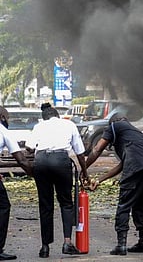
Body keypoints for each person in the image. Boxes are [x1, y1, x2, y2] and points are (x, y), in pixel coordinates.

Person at [83, 112, 143, 256]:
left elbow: (97, 149)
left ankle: (121, 245)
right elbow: (123, 164)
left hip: (138, 164)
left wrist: (84, 170)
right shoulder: (135, 133)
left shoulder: (115, 125)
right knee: (140, 205)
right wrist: (99, 180)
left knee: (124, 204)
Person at [26, 102, 89, 258]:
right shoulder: (69, 124)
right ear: (57, 115)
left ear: (44, 117)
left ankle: (45, 247)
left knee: (45, 204)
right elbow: (80, 153)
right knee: (66, 202)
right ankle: (67, 243)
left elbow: (29, 147)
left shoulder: (39, 126)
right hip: (61, 161)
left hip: (41, 162)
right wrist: (85, 173)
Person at [0, 106, 33, 261]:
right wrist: (35, 175)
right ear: (2, 117)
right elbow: (21, 160)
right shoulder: (3, 131)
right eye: (7, 117)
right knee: (3, 206)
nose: (8, 121)